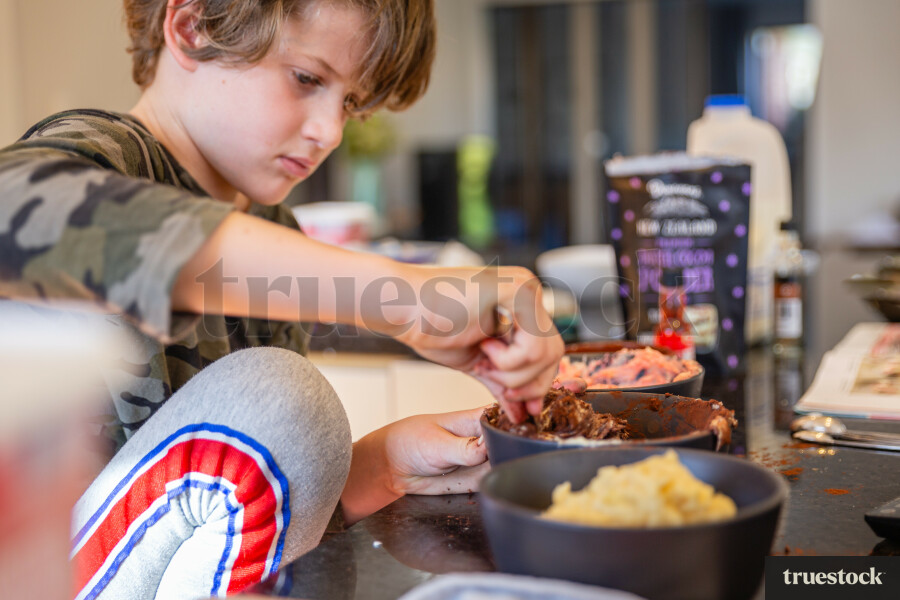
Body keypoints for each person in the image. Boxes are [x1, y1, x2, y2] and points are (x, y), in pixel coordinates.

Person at [0, 0, 564, 598]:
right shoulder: (108, 154)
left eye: (349, 102)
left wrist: (380, 465)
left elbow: (215, 531)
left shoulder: (277, 228)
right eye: (306, 79)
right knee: (283, 399)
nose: (331, 132)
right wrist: (395, 296)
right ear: (192, 27)